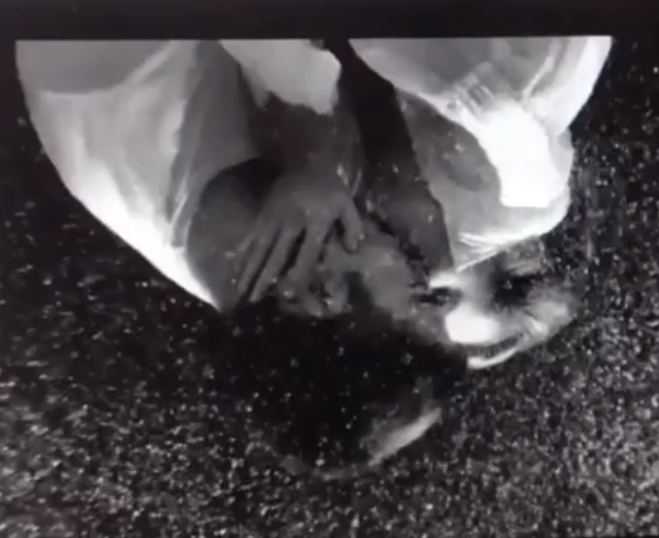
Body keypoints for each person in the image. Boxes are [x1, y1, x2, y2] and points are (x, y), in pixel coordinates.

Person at [15, 38, 612, 367]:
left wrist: (314, 142)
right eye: (426, 279)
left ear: (318, 295)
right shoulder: (523, 66)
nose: (415, 256)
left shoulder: (100, 87)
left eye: (414, 288)